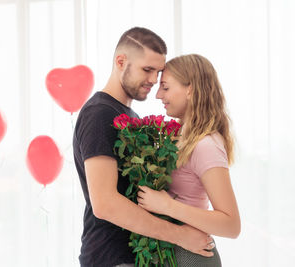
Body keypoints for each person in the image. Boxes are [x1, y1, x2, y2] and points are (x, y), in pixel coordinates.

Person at [73, 27, 215, 267]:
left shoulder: (130, 115)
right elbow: (105, 203)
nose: (153, 80)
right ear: (121, 61)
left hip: (135, 256)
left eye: (158, 72)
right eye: (147, 69)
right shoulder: (99, 113)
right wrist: (180, 236)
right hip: (110, 257)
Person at [137, 54, 241, 266]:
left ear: (190, 89)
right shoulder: (179, 137)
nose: (158, 95)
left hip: (191, 257)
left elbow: (232, 225)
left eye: (165, 87)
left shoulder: (205, 145)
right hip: (174, 251)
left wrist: (167, 206)